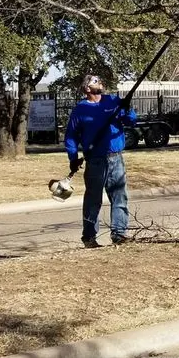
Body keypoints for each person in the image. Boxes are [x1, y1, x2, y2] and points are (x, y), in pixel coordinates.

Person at [64, 75, 137, 248]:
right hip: (95, 160)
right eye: (95, 81)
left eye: (100, 80)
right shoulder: (80, 110)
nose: (100, 83)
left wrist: (127, 109)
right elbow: (71, 136)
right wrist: (73, 158)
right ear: (87, 88)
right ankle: (89, 238)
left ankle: (119, 234)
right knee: (93, 200)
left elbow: (131, 122)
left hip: (116, 157)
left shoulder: (113, 101)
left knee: (120, 197)